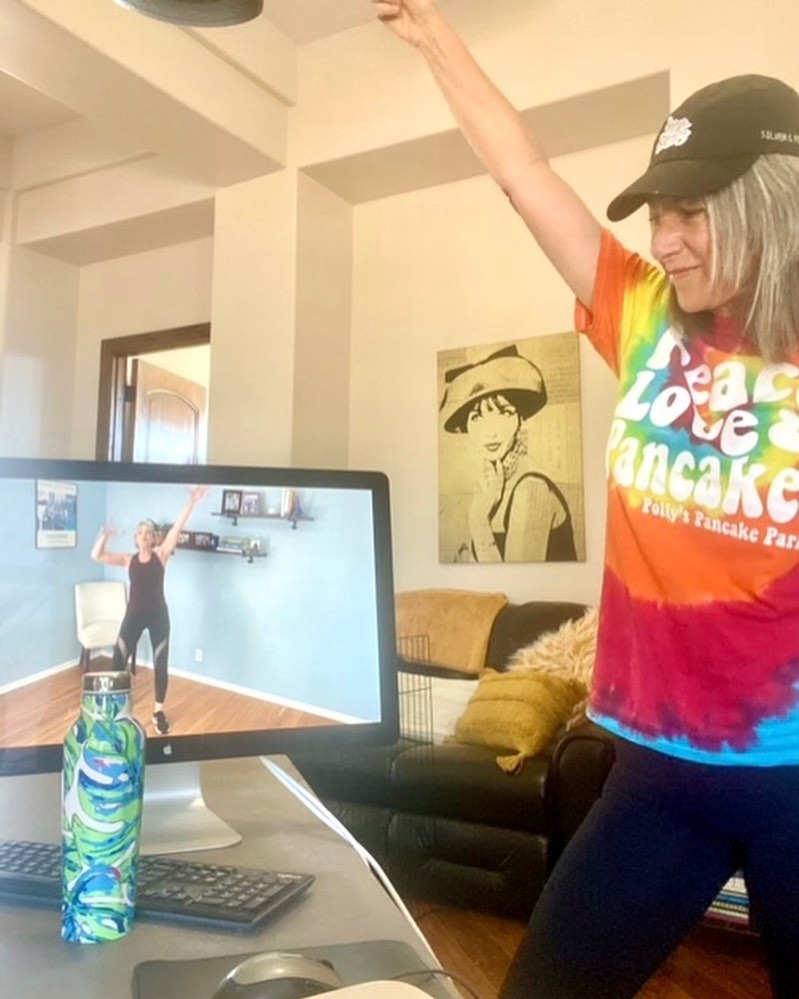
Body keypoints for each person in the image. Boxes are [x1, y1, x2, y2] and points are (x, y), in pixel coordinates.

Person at [374, 3, 799, 997]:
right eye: (657, 214)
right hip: (655, 776)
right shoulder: (644, 313)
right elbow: (524, 175)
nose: (665, 239)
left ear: (769, 206)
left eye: (690, 213)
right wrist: (432, 34)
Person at [439, 344, 577, 562]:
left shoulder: (532, 487)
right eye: (477, 417)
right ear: (467, 427)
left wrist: (479, 522)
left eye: (503, 413)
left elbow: (513, 578)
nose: (490, 431)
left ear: (520, 419)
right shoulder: (490, 485)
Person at [91, 485, 208, 735]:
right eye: (140, 532)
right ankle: (115, 708)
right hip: (133, 615)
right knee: (117, 660)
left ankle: (158, 711)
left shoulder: (161, 555)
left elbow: (177, 527)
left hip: (158, 617)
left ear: (154, 539)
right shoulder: (128, 559)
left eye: (148, 533)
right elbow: (96, 555)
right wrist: (106, 535)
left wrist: (192, 501)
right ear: (136, 539)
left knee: (160, 664)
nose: (144, 535)